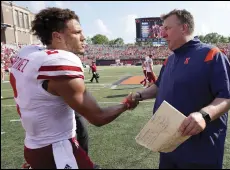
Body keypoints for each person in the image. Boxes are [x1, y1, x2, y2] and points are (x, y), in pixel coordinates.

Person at [10, 7, 137, 169]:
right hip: (57, 149)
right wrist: (126, 105)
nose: (83, 38)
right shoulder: (60, 61)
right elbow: (98, 117)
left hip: (33, 146)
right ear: (58, 36)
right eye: (77, 33)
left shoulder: (28, 53)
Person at [129, 9, 230, 169]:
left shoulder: (211, 54)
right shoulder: (169, 60)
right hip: (168, 148)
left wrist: (204, 116)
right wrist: (139, 95)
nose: (162, 34)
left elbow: (229, 96)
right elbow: (158, 86)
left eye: (167, 28)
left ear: (184, 27)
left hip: (201, 152)